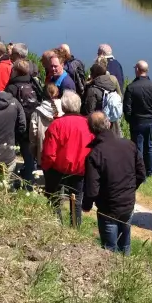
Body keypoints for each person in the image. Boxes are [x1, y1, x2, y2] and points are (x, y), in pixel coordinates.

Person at [83, 112, 146, 255]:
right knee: (125, 246)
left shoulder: (95, 154)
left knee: (109, 252)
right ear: (109, 124)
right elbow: (141, 174)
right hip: (128, 204)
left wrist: (86, 205)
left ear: (91, 130)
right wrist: (129, 189)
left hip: (108, 209)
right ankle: (127, 273)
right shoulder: (129, 145)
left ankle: (114, 275)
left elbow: (92, 189)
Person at [41, 91, 95, 226]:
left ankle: (56, 226)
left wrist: (46, 168)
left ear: (64, 107)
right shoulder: (89, 124)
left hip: (57, 169)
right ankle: (75, 228)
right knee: (76, 202)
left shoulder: (56, 125)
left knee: (54, 200)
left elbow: (49, 153)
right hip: (80, 170)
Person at [5, 60, 44, 188]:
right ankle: (29, 183)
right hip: (32, 125)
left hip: (17, 127)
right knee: (29, 157)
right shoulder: (33, 83)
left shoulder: (12, 87)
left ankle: (16, 182)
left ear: (15, 71)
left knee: (11, 155)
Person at [124, 60, 152, 178]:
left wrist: (130, 120)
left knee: (138, 148)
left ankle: (139, 172)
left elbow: (127, 108)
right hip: (151, 121)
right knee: (149, 146)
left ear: (137, 70)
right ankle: (150, 170)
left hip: (137, 122)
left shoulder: (131, 87)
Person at [30, 83, 64, 169]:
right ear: (57, 93)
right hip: (61, 152)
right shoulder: (65, 109)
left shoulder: (37, 112)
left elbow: (33, 133)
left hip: (44, 152)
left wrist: (34, 150)